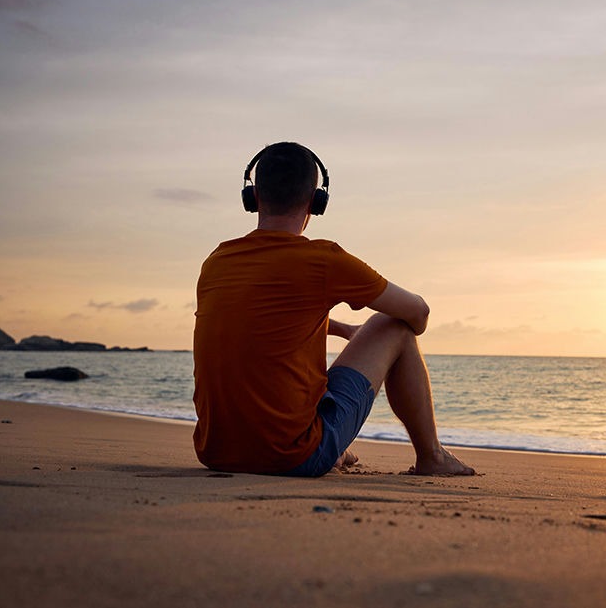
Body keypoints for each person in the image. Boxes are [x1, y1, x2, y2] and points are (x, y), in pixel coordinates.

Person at [192, 141, 474, 478]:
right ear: (316, 201)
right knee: (394, 325)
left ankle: (330, 444)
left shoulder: (217, 261)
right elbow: (418, 313)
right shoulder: (323, 260)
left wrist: (343, 330)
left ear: (253, 197)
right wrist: (380, 337)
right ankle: (433, 456)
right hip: (292, 457)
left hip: (216, 452)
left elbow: (265, 323)